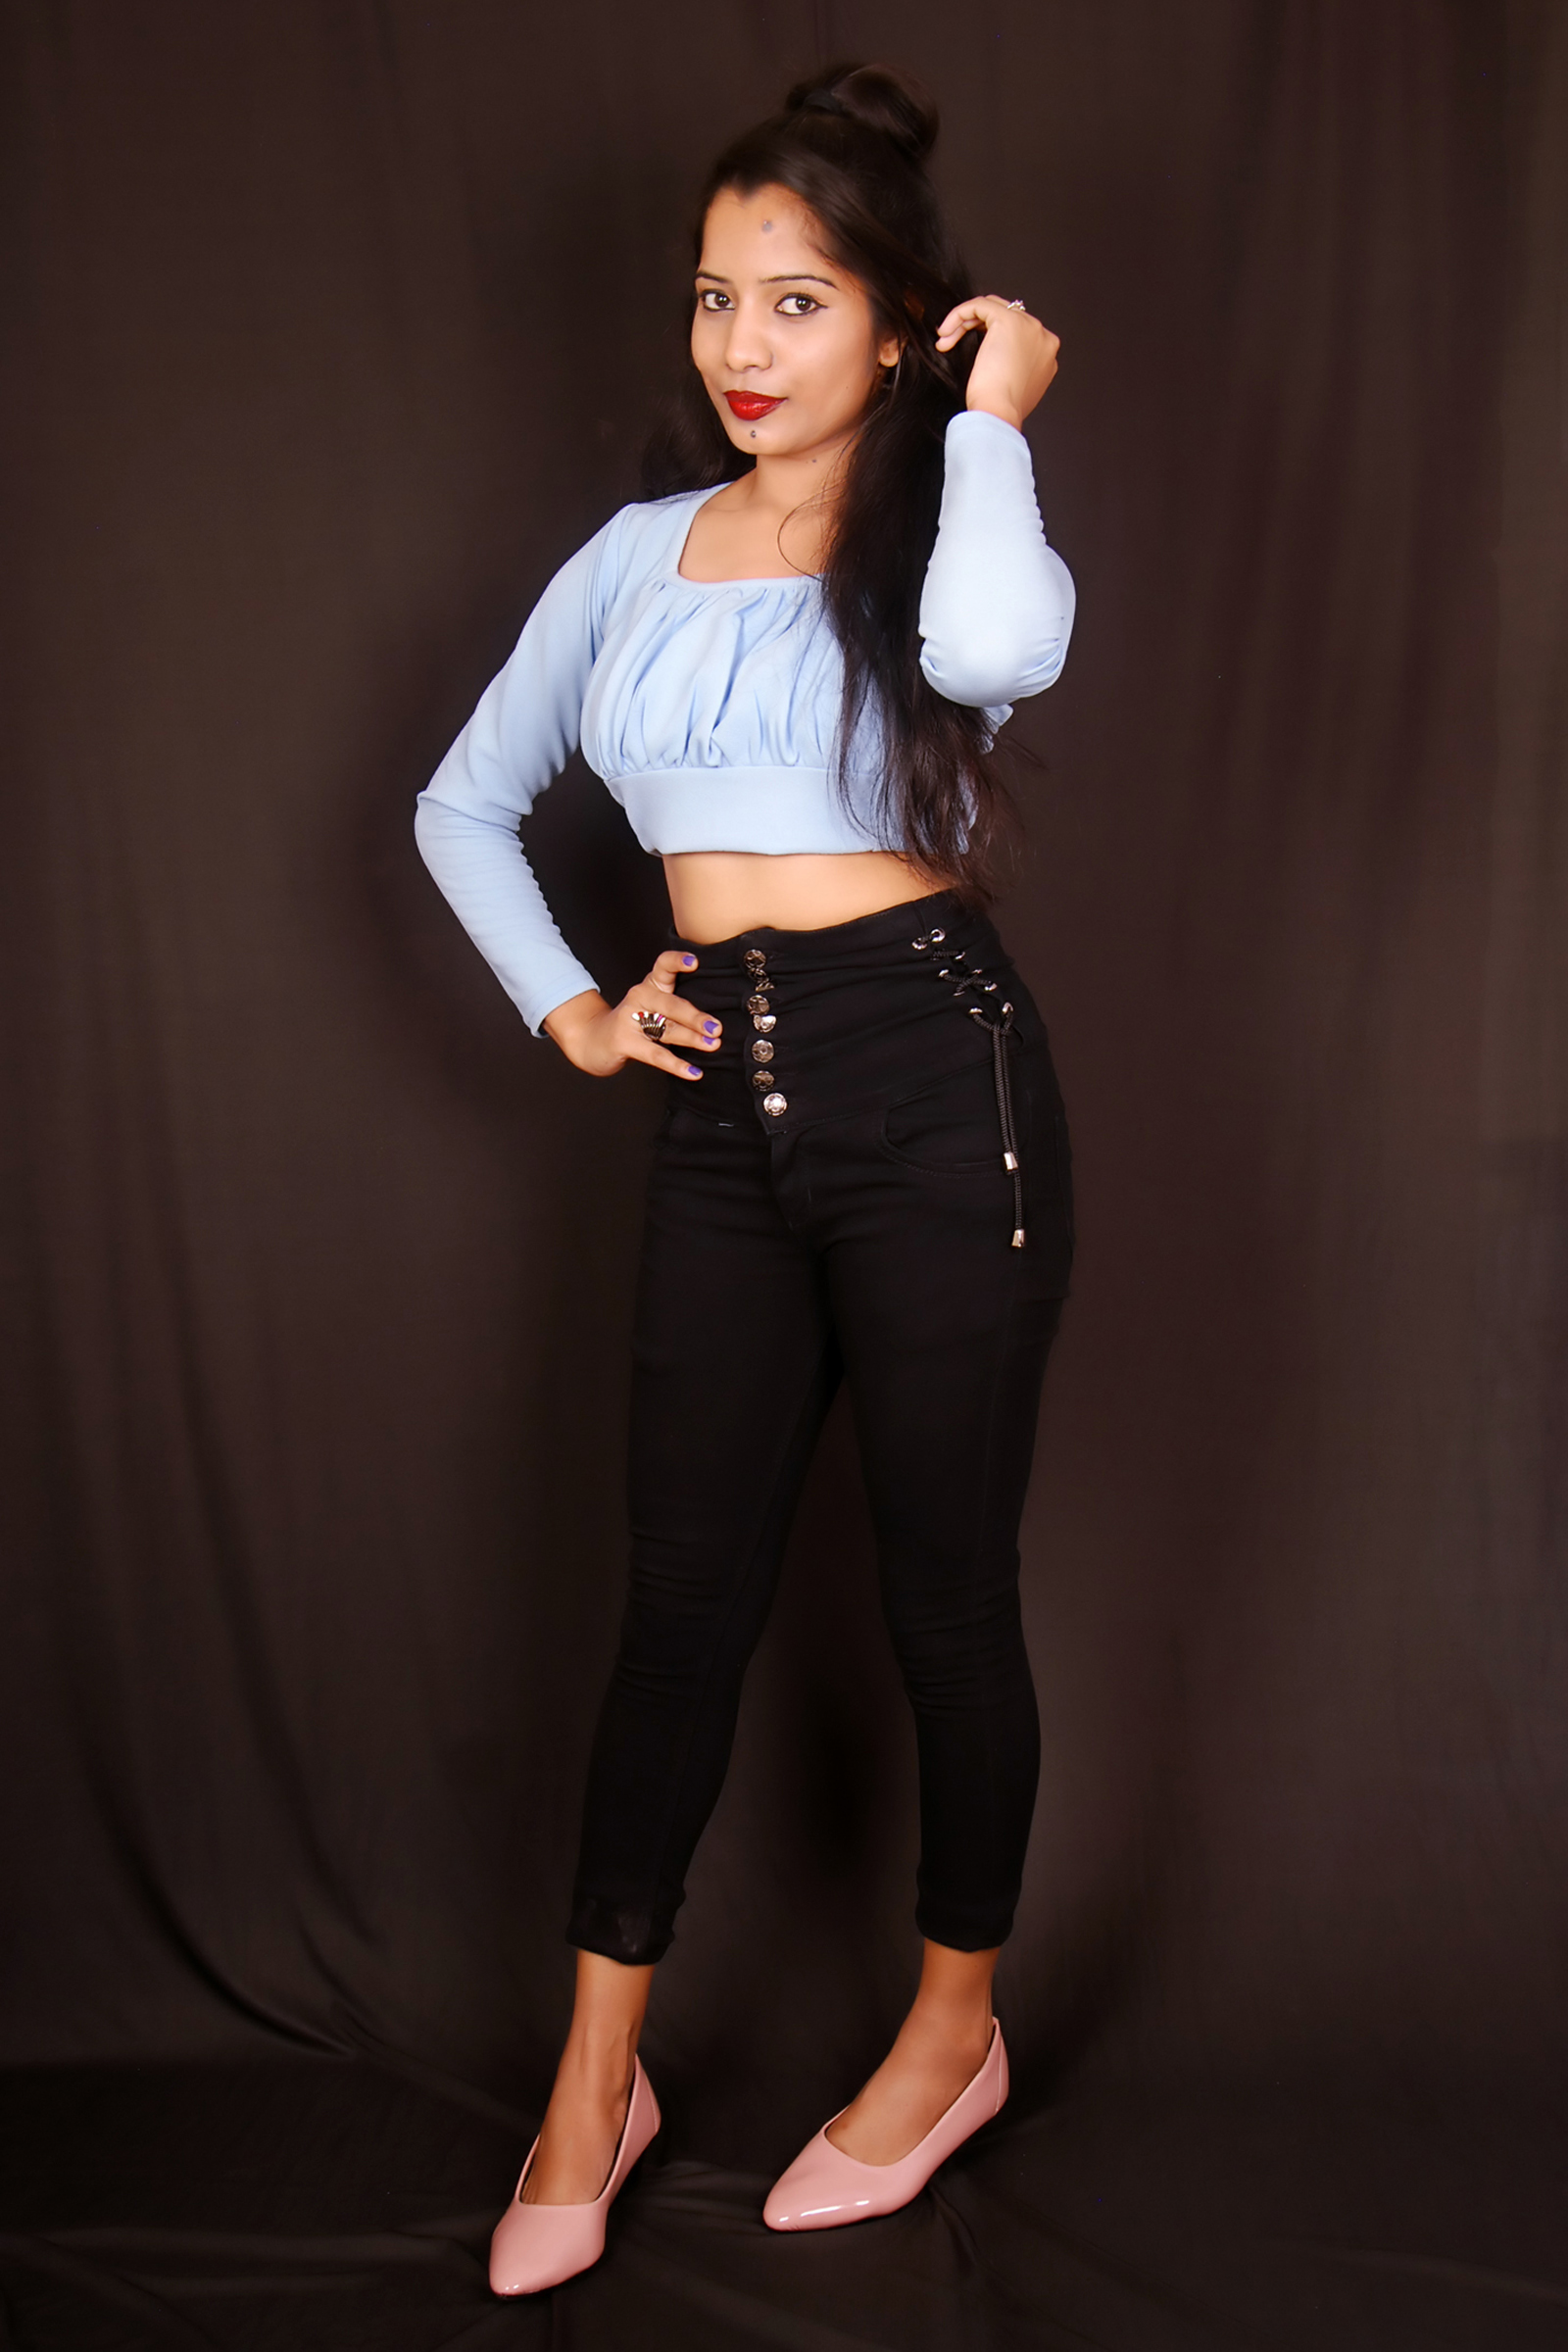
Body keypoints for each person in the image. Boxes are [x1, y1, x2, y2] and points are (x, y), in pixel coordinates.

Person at [415, 60, 1077, 2296]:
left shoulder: (943, 521)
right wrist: (575, 1009)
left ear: (898, 322)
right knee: (677, 1611)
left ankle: (952, 2037)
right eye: (717, 296)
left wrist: (994, 424)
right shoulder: (631, 560)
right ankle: (594, 2082)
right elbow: (460, 804)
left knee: (944, 1601)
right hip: (725, 1107)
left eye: (799, 301)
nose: (743, 345)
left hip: (936, 1080)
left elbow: (996, 656)